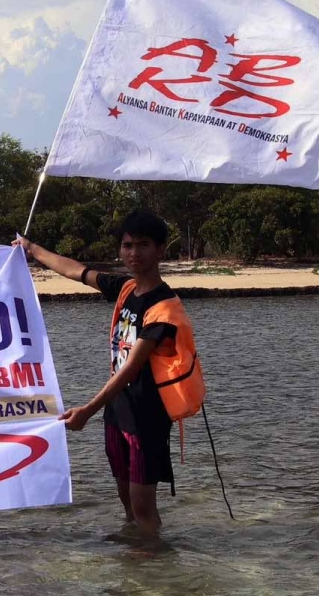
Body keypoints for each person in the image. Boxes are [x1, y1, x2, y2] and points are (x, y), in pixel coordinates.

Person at [14, 211, 204, 537]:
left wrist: (87, 410)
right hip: (118, 411)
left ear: (161, 250)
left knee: (143, 507)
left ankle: (150, 568)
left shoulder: (164, 308)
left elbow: (132, 368)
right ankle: (135, 559)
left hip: (147, 415)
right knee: (126, 500)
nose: (133, 253)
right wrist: (32, 249)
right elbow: (77, 270)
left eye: (143, 245)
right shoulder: (127, 288)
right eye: (127, 245)